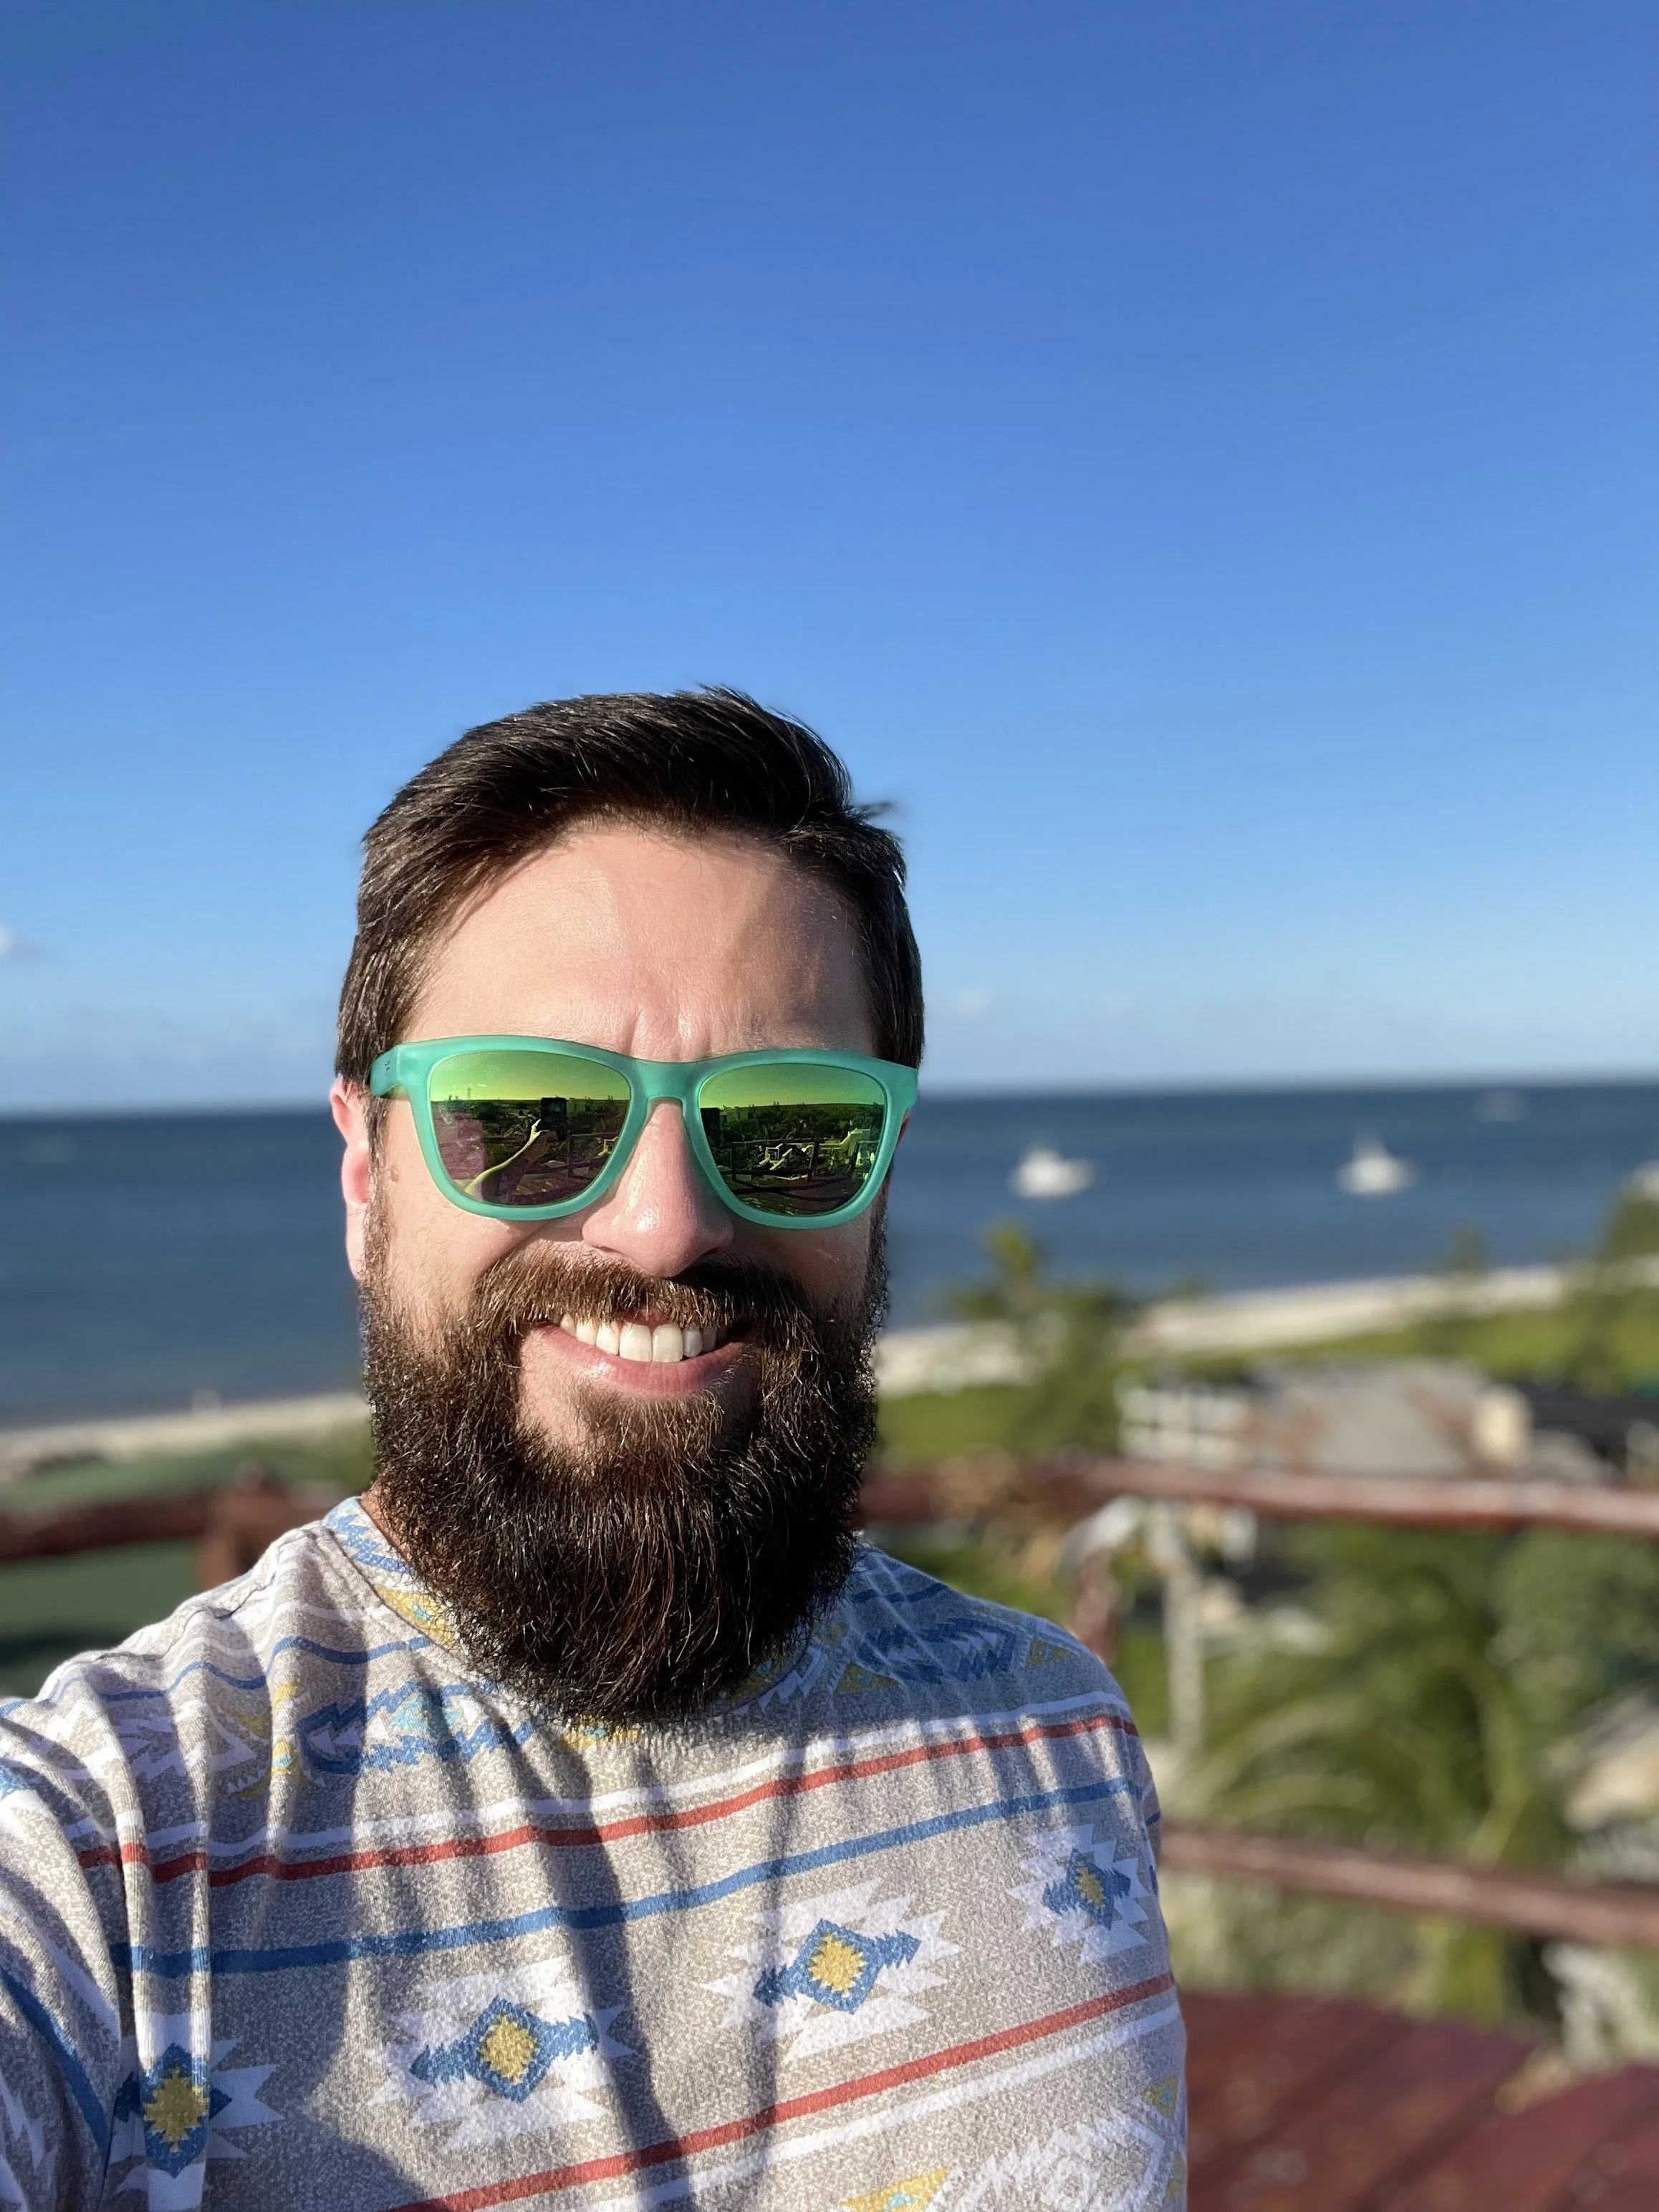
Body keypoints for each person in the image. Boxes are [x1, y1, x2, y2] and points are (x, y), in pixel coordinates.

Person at [0, 691, 1183, 2209]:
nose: (667, 1218)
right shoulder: (112, 1856)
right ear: (367, 1177)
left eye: (794, 1122)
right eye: (532, 1112)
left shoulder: (1062, 1730)